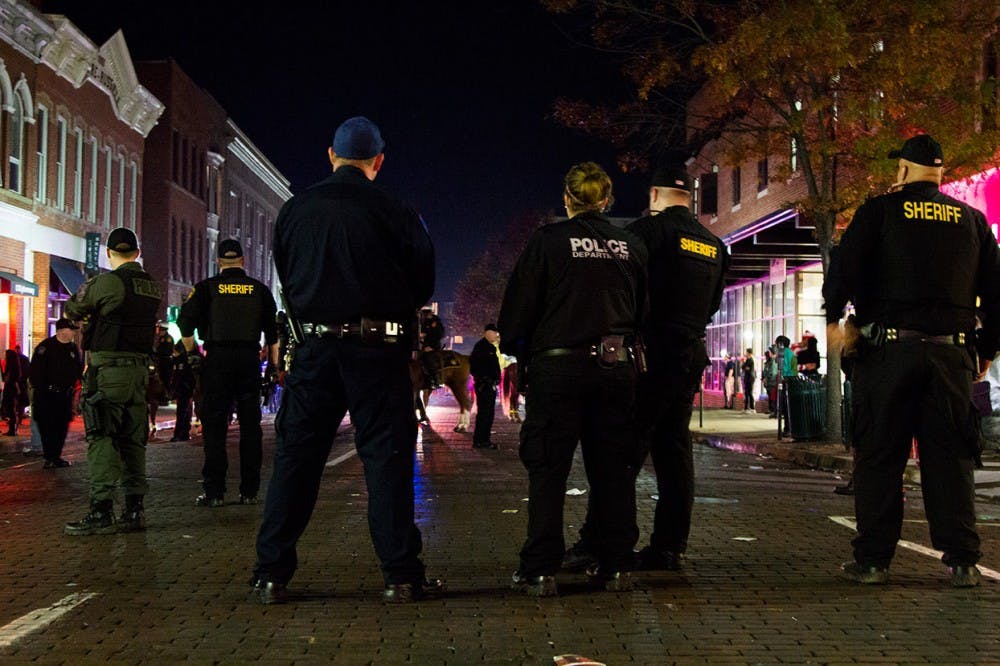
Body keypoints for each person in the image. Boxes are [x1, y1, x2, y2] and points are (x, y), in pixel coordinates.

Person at [252, 116, 439, 605]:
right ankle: (400, 574)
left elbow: (286, 278)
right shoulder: (397, 210)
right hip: (378, 353)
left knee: (296, 460)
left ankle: (272, 573)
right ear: (378, 162)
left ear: (330, 156)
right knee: (387, 461)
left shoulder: (295, 210)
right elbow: (423, 284)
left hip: (315, 348)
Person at [824, 134, 1000, 588]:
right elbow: (998, 297)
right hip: (951, 355)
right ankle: (962, 560)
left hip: (888, 354)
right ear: (939, 173)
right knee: (951, 458)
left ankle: (874, 561)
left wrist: (836, 321)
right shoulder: (972, 221)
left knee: (881, 456)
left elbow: (843, 273)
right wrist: (985, 351)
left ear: (902, 170)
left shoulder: (878, 212)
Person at [563, 166, 727, 574]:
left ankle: (601, 542)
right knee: (674, 452)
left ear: (654, 194)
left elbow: (628, 289)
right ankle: (669, 546)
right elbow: (713, 306)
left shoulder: (647, 234)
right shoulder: (713, 243)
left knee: (622, 450)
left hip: (651, 354)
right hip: (690, 354)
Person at [498, 161, 648, 597]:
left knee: (548, 467)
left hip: (558, 368)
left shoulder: (549, 242)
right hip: (616, 368)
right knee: (613, 469)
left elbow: (516, 315)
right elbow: (643, 312)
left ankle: (541, 568)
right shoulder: (631, 246)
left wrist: (526, 353)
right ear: (606, 199)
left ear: (567, 198)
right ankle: (616, 564)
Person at [63, 227, 163, 535]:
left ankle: (101, 508)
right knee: (134, 441)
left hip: (109, 371)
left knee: (102, 436)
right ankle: (134, 509)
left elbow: (72, 307)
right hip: (138, 373)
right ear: (137, 252)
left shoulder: (108, 282)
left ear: (108, 253)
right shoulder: (151, 285)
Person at [177, 238, 278, 507]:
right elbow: (273, 335)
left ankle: (215, 492)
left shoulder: (206, 289)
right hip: (248, 361)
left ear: (219, 262)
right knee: (250, 429)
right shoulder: (259, 290)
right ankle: (249, 490)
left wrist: (191, 355)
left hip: (217, 362)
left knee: (215, 428)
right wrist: (274, 367)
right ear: (243, 261)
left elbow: (184, 324)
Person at [28, 318, 83, 468]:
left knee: (61, 426)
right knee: (47, 426)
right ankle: (49, 457)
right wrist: (41, 389)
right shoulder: (45, 347)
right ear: (62, 331)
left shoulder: (72, 349)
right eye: (70, 330)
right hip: (47, 395)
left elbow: (78, 370)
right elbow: (35, 372)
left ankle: (56, 456)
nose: (72, 333)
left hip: (65, 395)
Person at [469, 323, 502, 449]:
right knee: (484, 413)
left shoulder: (490, 347)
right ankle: (481, 440)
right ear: (488, 332)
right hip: (484, 385)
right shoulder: (481, 347)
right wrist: (484, 378)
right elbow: (474, 366)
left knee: (489, 413)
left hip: (490, 385)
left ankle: (484, 439)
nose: (496, 335)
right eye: (495, 333)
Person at [169, 342, 196, 442]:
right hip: (186, 389)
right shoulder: (184, 360)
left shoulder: (181, 361)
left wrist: (174, 389)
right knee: (186, 412)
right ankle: (184, 433)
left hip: (183, 389)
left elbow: (179, 377)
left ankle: (178, 434)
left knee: (181, 413)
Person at [420, 310, 445, 388]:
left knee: (429, 359)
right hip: (424, 345)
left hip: (434, 346)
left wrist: (431, 347)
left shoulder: (437, 323)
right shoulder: (425, 322)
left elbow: (439, 335)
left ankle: (435, 380)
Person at [1, 348, 22, 436]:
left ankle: (12, 430)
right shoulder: (14, 366)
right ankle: (13, 429)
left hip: (10, 389)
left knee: (11, 409)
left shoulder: (11, 367)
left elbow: (6, 378)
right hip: (11, 389)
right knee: (11, 409)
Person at [152, 322, 175, 403]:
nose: (159, 332)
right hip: (162, 360)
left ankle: (165, 397)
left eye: (161, 330)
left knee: (165, 379)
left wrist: (156, 351)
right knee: (162, 378)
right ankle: (162, 397)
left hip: (166, 361)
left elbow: (166, 351)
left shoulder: (167, 339)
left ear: (164, 330)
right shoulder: (162, 338)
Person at [762, 348, 778, 417]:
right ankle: (772, 410)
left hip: (772, 382)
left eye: (770, 352)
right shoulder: (770, 361)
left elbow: (773, 372)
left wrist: (766, 378)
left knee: (772, 397)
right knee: (770, 396)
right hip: (770, 382)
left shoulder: (773, 361)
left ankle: (773, 411)